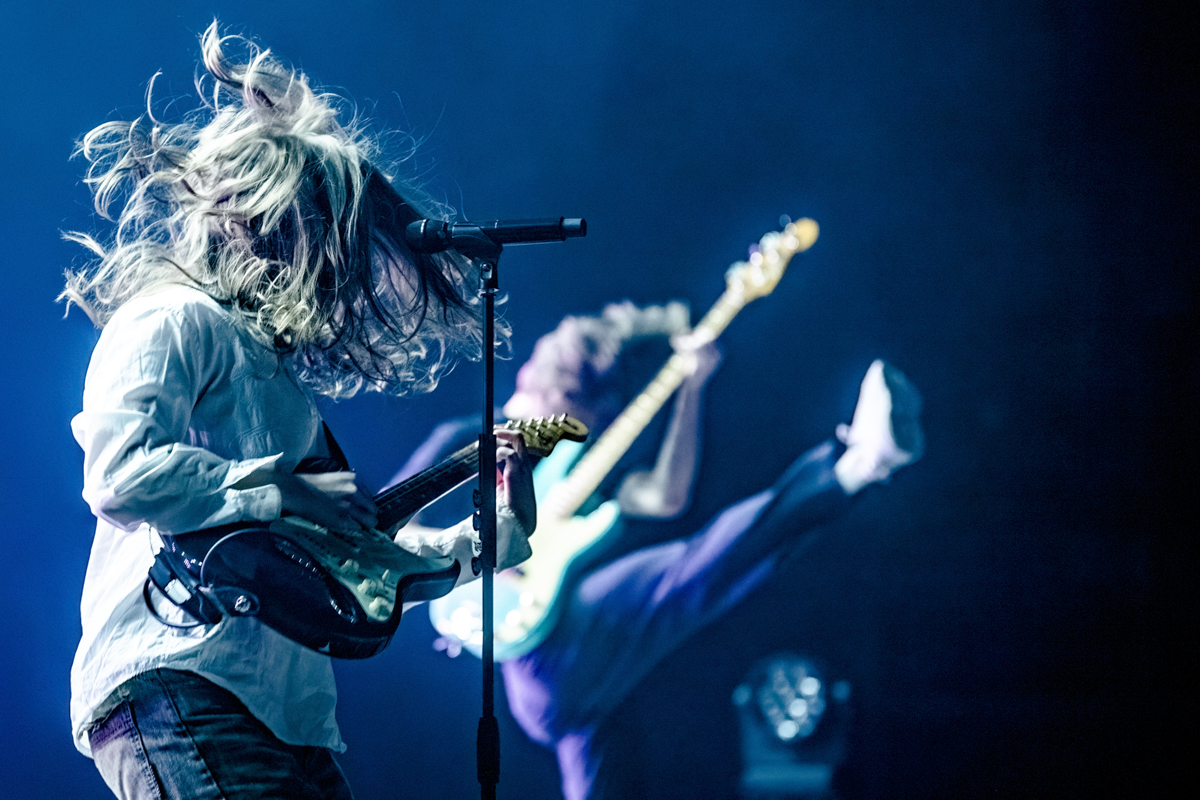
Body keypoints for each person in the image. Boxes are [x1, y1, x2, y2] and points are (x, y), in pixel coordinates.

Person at [64, 23, 537, 800]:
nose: (341, 270)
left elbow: (361, 568)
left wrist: (504, 533)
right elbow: (120, 474)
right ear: (264, 223)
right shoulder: (173, 318)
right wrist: (284, 491)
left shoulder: (275, 385)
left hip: (283, 717)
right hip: (184, 684)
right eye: (331, 239)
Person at [398, 301, 925, 800]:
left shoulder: (578, 468)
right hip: (539, 659)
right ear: (537, 386)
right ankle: (852, 467)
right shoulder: (466, 438)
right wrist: (475, 558)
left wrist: (692, 386)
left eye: (585, 426)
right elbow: (392, 536)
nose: (571, 434)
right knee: (684, 572)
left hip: (575, 678)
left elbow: (666, 497)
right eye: (568, 415)